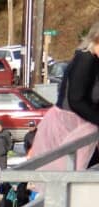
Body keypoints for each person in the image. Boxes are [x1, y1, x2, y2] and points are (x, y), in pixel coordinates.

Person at [31, 23, 99, 169]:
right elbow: (76, 100)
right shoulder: (85, 60)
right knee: (70, 174)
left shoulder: (94, 60)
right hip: (69, 124)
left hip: (83, 124)